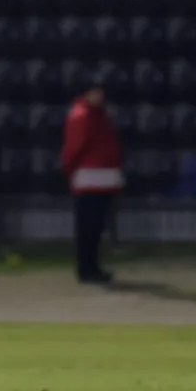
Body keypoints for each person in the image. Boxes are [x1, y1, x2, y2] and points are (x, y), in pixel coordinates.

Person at [59, 79, 124, 285]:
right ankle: (86, 268)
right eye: (95, 92)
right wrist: (69, 169)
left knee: (95, 226)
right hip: (89, 177)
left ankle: (92, 267)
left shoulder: (97, 114)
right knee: (88, 226)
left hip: (100, 177)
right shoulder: (83, 114)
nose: (100, 96)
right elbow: (75, 147)